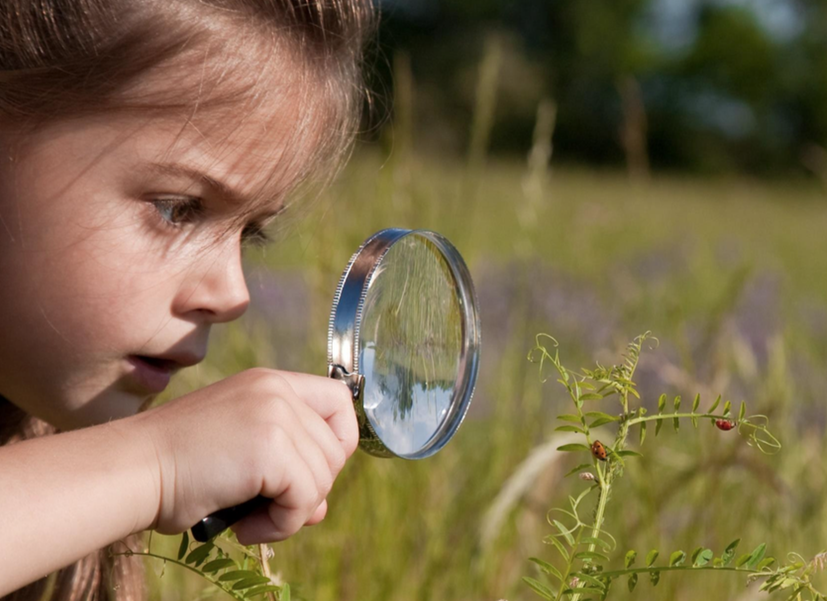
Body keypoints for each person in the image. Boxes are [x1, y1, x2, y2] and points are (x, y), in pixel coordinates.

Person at [0, 0, 376, 598]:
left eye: (250, 233)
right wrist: (153, 465)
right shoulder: (132, 470)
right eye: (177, 208)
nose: (233, 294)